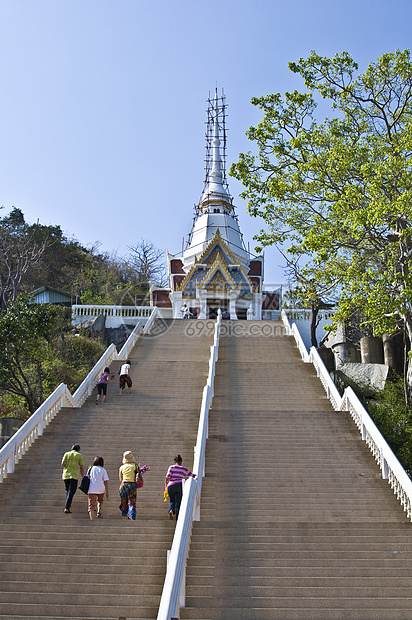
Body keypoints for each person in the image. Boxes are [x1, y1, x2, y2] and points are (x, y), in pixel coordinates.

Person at [118, 450, 150, 520]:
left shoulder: (121, 467)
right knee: (132, 502)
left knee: (124, 503)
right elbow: (138, 476)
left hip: (123, 485)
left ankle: (124, 517)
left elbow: (121, 479)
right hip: (132, 485)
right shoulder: (135, 466)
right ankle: (132, 518)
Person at [165, 454, 196, 521]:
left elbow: (168, 476)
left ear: (174, 462)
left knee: (172, 500)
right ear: (181, 462)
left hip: (171, 485)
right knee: (178, 502)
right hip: (179, 485)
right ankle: (178, 518)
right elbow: (191, 475)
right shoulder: (183, 469)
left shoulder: (171, 467)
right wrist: (195, 475)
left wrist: (166, 482)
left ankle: (171, 510)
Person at [61, 444, 84, 514]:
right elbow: (81, 467)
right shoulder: (79, 455)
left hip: (65, 475)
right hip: (73, 475)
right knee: (72, 491)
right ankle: (67, 507)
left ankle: (68, 503)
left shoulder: (66, 454)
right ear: (78, 450)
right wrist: (83, 476)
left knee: (67, 490)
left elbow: (62, 463)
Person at [87, 456, 109, 520]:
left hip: (92, 488)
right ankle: (99, 512)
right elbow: (105, 481)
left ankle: (92, 518)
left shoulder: (90, 469)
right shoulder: (103, 470)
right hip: (101, 488)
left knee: (91, 505)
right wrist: (107, 491)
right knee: (100, 501)